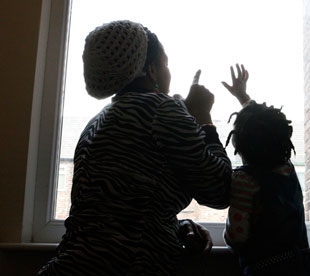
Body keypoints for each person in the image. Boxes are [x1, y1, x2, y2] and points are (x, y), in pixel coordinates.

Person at [38, 20, 232, 276]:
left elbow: (120, 212)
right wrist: (203, 118)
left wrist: (178, 225)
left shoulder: (95, 123)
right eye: (166, 64)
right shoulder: (162, 109)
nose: (168, 73)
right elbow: (221, 190)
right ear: (151, 69)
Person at [222, 65, 310, 276]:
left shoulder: (244, 180)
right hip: (303, 268)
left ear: (239, 145)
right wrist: (243, 97)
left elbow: (236, 237)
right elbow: (264, 127)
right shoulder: (288, 169)